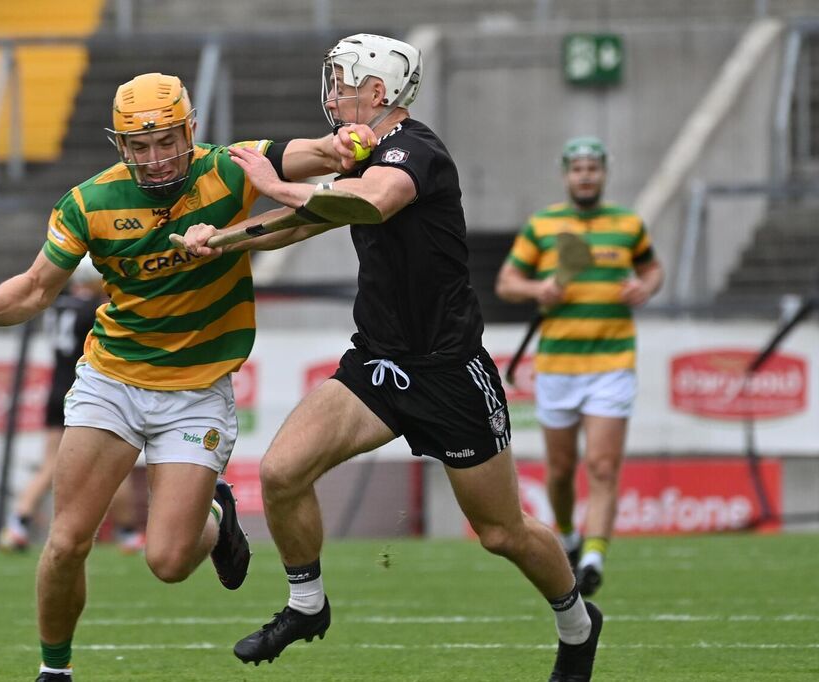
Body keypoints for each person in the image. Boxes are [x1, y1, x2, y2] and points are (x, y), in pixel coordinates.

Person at [182, 33, 604, 680]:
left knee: (502, 533)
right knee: (281, 472)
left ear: (378, 92)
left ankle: (578, 624)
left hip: (448, 371)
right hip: (378, 365)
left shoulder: (415, 151)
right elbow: (306, 221)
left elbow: (369, 203)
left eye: (343, 82)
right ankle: (307, 605)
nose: (331, 94)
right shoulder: (362, 156)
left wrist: (272, 183)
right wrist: (223, 240)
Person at [0, 72, 373, 682]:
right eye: (138, 146)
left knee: (168, 562)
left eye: (166, 141)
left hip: (197, 392)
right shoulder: (88, 202)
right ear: (120, 145)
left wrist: (353, 141)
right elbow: (37, 288)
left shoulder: (230, 168)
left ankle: (217, 519)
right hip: (112, 380)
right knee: (66, 542)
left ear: (190, 131)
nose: (154, 158)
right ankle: (55, 670)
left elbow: (327, 154)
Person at [495, 136, 664, 597]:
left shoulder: (628, 224)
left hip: (612, 362)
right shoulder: (544, 225)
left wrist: (645, 288)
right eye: (577, 168)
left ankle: (592, 557)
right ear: (566, 175)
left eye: (593, 168)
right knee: (562, 469)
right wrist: (538, 291)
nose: (585, 175)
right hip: (558, 365)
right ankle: (568, 536)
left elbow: (652, 269)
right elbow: (507, 282)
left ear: (604, 173)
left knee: (604, 465)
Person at [0, 261, 145, 555]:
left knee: (50, 463)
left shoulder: (59, 304)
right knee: (116, 463)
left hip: (56, 388)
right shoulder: (94, 308)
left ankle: (19, 520)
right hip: (84, 388)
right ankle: (128, 533)